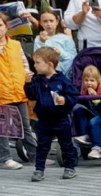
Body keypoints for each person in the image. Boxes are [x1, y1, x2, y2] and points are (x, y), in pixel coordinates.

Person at [0, 12, 38, 169]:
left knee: (25, 125)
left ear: (6, 27)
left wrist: (28, 75)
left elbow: (24, 63)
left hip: (19, 90)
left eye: (0, 25)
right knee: (2, 127)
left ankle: (34, 156)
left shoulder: (16, 45)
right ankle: (6, 158)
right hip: (1, 92)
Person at [25, 47, 79, 181]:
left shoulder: (62, 80)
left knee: (66, 144)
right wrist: (27, 84)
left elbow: (73, 96)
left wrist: (65, 100)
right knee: (42, 146)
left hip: (60, 119)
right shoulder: (37, 80)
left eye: (37, 63)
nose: (35, 66)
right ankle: (39, 170)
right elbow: (31, 96)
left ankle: (70, 167)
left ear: (50, 65)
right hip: (43, 120)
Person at [73, 64, 101, 158]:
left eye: (92, 80)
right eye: (86, 80)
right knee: (78, 109)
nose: (89, 83)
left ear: (98, 80)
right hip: (92, 113)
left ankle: (96, 147)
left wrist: (95, 97)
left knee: (93, 122)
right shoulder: (84, 91)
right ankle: (84, 135)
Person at [34, 8, 77, 77]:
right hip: (45, 76)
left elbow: (74, 58)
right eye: (45, 21)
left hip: (65, 75)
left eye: (51, 21)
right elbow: (36, 58)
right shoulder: (38, 39)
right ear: (40, 23)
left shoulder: (65, 38)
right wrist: (42, 42)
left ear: (57, 22)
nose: (49, 24)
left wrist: (61, 53)